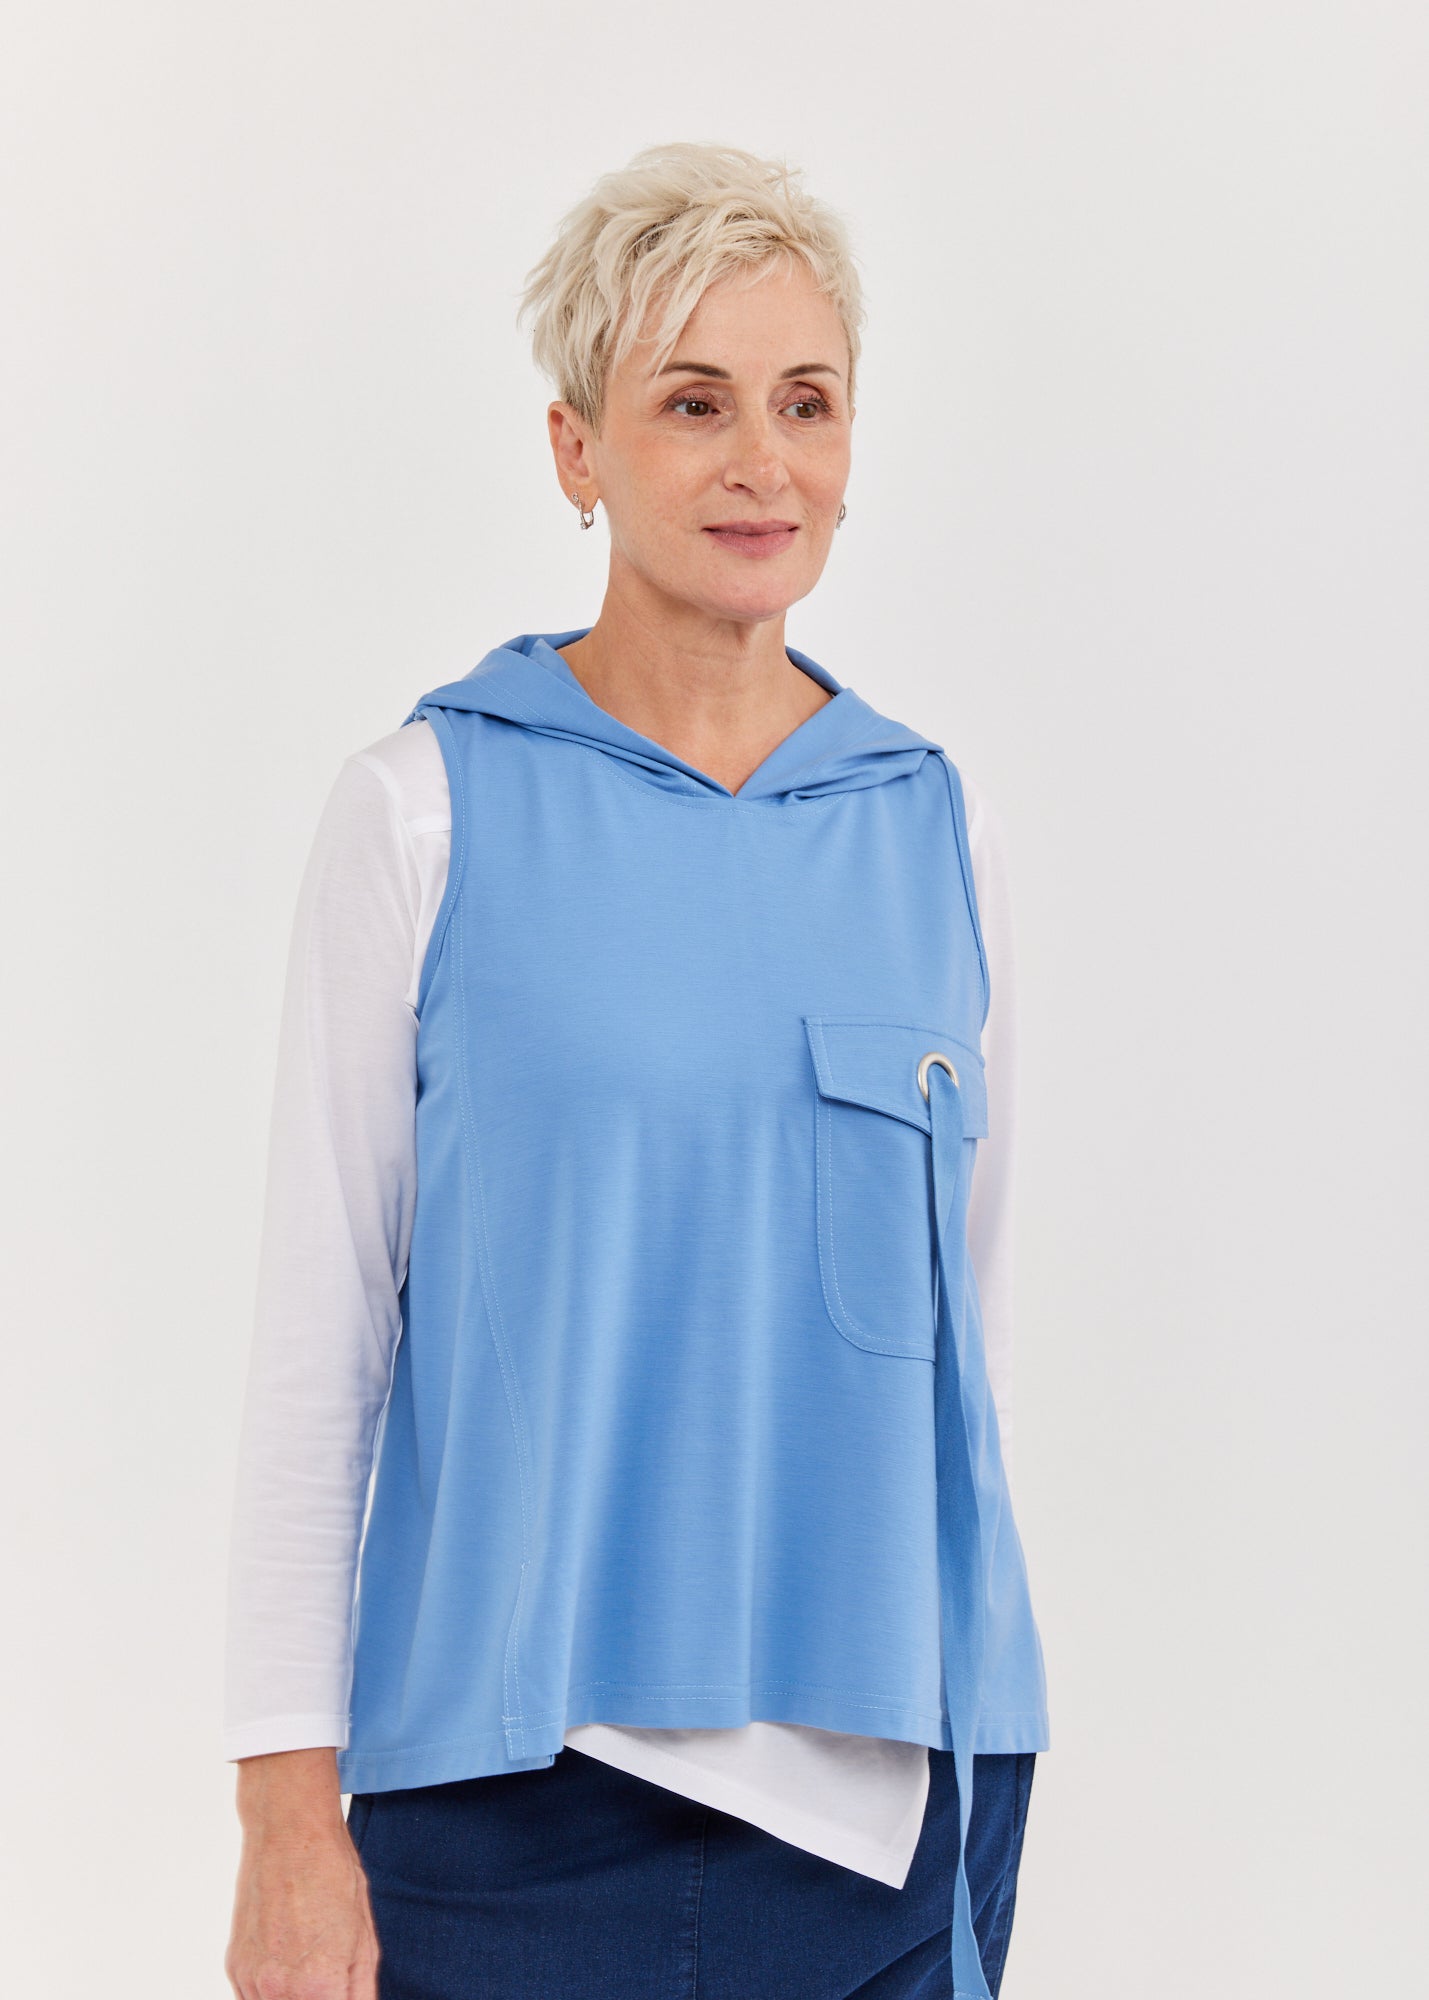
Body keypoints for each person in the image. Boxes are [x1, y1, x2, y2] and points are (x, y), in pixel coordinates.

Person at [223, 139, 1050, 2000]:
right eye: (693, 402)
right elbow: (319, 1348)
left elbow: (972, 1351)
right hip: (505, 1806)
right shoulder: (423, 810)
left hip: (888, 1819)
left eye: (804, 402)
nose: (762, 461)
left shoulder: (935, 828)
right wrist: (284, 1817)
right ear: (575, 449)